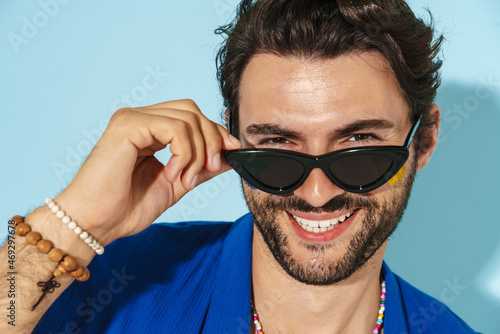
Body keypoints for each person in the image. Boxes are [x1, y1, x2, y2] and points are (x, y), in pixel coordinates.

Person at [0, 0, 479, 333]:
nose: (315, 193)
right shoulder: (108, 280)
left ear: (425, 139)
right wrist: (74, 222)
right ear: (233, 134)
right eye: (276, 145)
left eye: (360, 147)